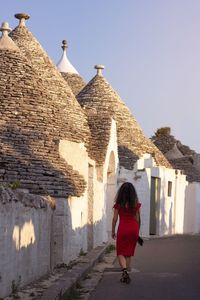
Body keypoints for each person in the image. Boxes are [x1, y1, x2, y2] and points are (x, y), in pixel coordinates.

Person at [112, 182, 141, 284]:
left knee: (120, 252)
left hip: (123, 229)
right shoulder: (135, 204)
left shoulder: (118, 204)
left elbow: (115, 219)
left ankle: (124, 272)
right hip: (134, 229)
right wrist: (137, 233)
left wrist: (112, 231)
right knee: (128, 252)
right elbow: (137, 219)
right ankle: (126, 272)